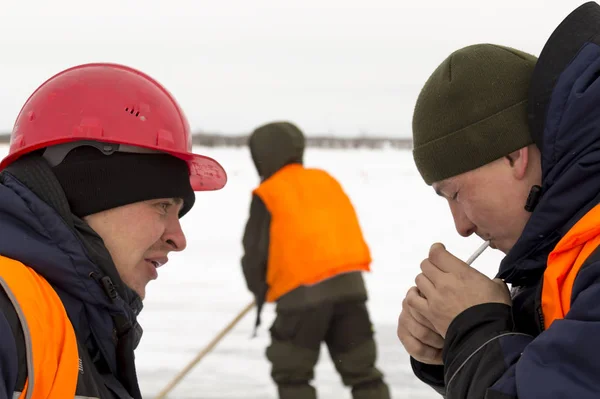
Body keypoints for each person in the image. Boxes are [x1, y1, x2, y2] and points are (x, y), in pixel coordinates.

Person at [398, 2, 600, 398]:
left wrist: (477, 330)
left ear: (513, 156)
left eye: (455, 194)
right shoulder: (567, 250)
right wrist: (451, 347)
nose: (462, 226)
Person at [0, 63, 227, 399]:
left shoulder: (79, 323)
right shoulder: (9, 317)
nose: (178, 239)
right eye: (162, 205)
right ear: (86, 194)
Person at [240, 121, 390, 399]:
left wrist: (260, 289)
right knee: (364, 375)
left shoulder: (270, 192)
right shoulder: (325, 179)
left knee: (293, 377)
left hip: (302, 298)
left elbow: (255, 252)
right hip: (350, 288)